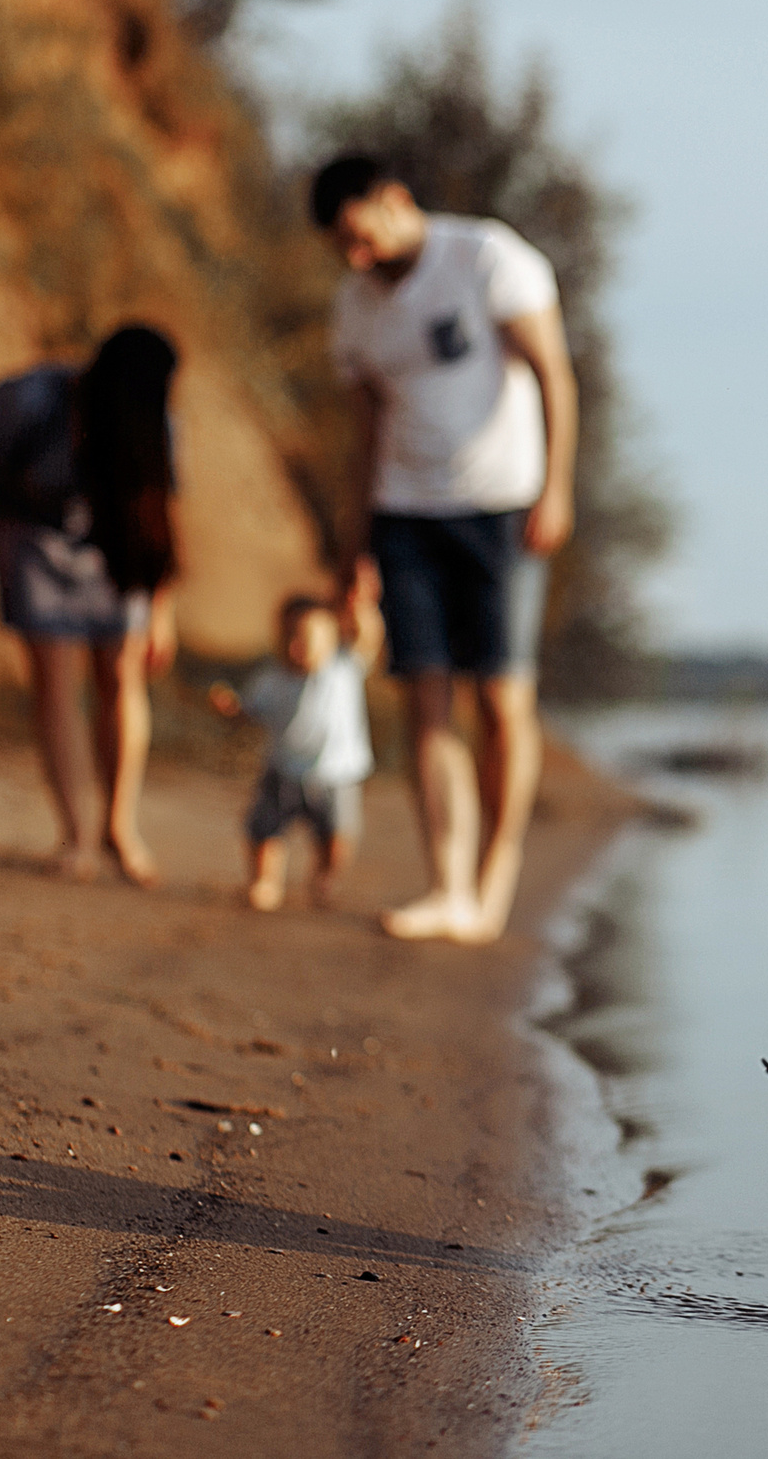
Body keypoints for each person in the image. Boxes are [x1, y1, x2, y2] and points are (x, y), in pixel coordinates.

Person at [311, 153, 579, 945]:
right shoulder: (354, 309)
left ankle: (492, 885)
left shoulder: (488, 259)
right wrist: (353, 548)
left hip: (501, 507)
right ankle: (447, 885)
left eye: (362, 236)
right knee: (424, 698)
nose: (357, 258)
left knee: (500, 700)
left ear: (395, 198)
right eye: (342, 248)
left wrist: (557, 487)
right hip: (404, 515)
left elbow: (555, 374)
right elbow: (363, 439)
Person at [0, 323, 181, 886]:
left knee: (120, 678)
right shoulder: (25, 400)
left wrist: (161, 613)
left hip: (114, 543)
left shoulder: (158, 421)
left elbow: (160, 519)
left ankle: (119, 828)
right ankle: (75, 835)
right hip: (31, 540)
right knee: (55, 682)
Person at [209, 563, 385, 911]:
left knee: (336, 838)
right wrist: (233, 710)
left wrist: (363, 608)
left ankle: (325, 875)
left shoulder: (344, 667)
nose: (295, 648)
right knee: (263, 830)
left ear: (332, 638)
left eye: (305, 639)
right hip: (283, 771)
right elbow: (250, 711)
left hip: (336, 775)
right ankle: (264, 881)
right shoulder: (271, 680)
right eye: (288, 637)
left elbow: (370, 638)